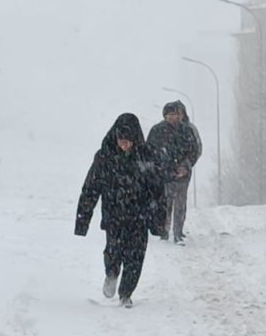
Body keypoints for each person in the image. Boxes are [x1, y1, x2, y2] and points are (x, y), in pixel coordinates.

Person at [75, 113, 167, 308]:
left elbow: (158, 190)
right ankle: (111, 273)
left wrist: (159, 220)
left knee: (136, 257)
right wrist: (82, 221)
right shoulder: (104, 157)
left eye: (128, 142)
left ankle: (126, 293)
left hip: (139, 216)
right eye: (121, 141)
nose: (124, 145)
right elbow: (90, 188)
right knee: (113, 251)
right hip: (114, 216)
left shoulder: (147, 157)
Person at [148, 101, 202, 244]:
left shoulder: (187, 131)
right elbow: (150, 152)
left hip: (182, 174)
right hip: (163, 174)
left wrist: (186, 166)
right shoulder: (157, 131)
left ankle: (178, 232)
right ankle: (163, 232)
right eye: (170, 114)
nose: (173, 117)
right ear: (165, 115)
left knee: (180, 203)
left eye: (175, 114)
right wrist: (158, 168)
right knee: (165, 202)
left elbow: (194, 150)